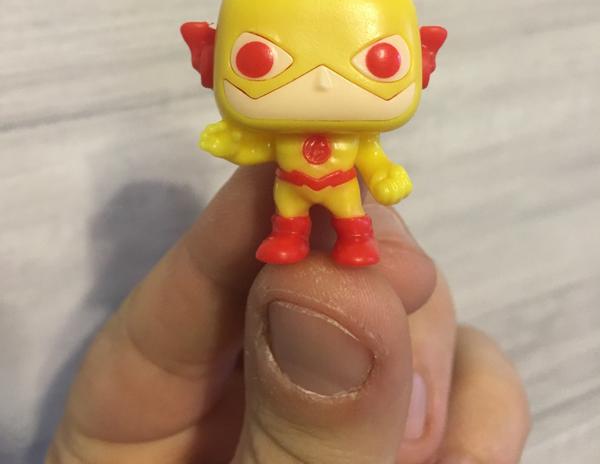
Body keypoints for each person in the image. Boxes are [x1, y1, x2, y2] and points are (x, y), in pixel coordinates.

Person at [46, 165, 530, 463]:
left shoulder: (352, 137)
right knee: (289, 212)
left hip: (339, 182)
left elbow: (372, 155)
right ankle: (290, 237)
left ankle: (352, 239)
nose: (320, 81)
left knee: (350, 214)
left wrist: (383, 172)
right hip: (292, 182)